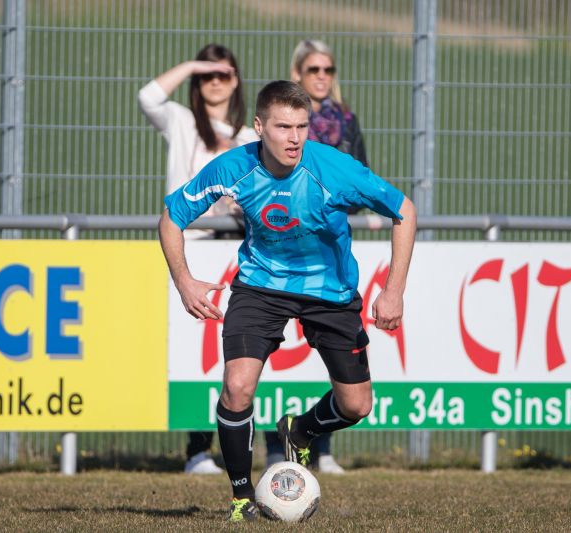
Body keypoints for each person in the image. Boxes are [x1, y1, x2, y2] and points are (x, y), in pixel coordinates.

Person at [158, 80, 416, 521]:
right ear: (259, 127)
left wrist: (393, 290)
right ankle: (242, 500)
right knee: (237, 387)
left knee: (356, 405)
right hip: (261, 287)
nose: (295, 137)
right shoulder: (233, 167)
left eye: (302, 126)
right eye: (283, 127)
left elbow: (404, 210)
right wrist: (185, 282)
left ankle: (300, 431)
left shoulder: (334, 168)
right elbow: (171, 218)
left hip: (329, 293)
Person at [138, 43, 259, 475]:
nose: (214, 82)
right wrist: (190, 64)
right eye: (206, 75)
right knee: (195, 352)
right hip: (190, 250)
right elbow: (147, 97)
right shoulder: (183, 121)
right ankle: (196, 450)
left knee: (243, 354)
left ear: (236, 80)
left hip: (237, 250)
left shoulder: (249, 139)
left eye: (223, 74)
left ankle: (253, 449)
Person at [263, 39, 369, 475]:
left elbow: (364, 183)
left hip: (329, 256)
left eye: (329, 67)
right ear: (298, 75)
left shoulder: (346, 121)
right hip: (277, 257)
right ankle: (269, 446)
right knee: (253, 365)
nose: (322, 75)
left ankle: (314, 441)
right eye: (312, 69)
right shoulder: (278, 122)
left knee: (352, 391)